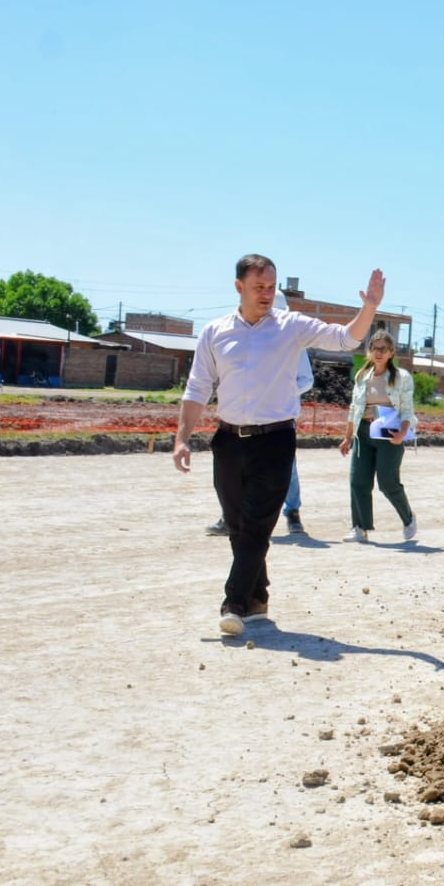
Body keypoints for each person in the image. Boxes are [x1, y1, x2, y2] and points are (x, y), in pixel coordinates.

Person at [175, 254, 385, 636]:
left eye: (271, 287)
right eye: (259, 287)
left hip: (275, 441)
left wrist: (368, 307)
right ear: (239, 287)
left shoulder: (291, 326)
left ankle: (233, 603)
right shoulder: (215, 332)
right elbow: (198, 388)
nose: (267, 294)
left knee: (257, 527)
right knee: (238, 527)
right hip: (228, 440)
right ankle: (258, 598)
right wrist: (182, 438)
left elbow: (345, 339)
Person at [206, 294, 316, 538]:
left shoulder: (292, 341)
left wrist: (277, 390)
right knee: (238, 471)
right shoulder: (240, 339)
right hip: (242, 421)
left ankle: (293, 513)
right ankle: (230, 516)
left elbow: (306, 379)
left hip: (277, 421)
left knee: (288, 469)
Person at [341, 329, 418, 544]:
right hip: (363, 433)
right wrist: (348, 437)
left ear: (392, 352)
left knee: (387, 482)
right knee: (358, 481)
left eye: (384, 349)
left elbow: (407, 410)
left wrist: (402, 434)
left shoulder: (401, 377)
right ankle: (360, 527)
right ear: (369, 351)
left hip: (389, 435)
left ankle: (408, 518)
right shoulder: (362, 376)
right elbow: (354, 408)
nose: (379, 352)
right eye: (375, 348)